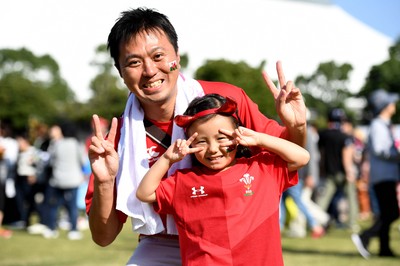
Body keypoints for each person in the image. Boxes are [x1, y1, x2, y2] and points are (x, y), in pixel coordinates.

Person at [86, 7, 307, 265]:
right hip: (161, 243)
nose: (149, 70)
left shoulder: (224, 102)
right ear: (120, 71)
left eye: (158, 56)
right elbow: (103, 238)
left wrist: (298, 126)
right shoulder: (116, 139)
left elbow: (289, 158)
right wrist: (105, 182)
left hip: (235, 240)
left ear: (177, 57)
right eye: (134, 62)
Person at [136, 94, 310, 265]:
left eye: (221, 138)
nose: (213, 149)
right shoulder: (183, 181)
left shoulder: (261, 168)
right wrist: (167, 159)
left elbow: (301, 157)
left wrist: (259, 138)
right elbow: (145, 193)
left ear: (237, 134)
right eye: (201, 142)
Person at [352, 89, 400, 258]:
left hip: (386, 175)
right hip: (383, 175)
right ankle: (364, 236)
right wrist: (397, 154)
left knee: (387, 213)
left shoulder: (383, 125)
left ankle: (384, 249)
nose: (394, 105)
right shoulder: (378, 125)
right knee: (392, 213)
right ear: (385, 107)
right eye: (391, 103)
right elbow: (381, 150)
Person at [316, 108, 359, 231]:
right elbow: (346, 156)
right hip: (343, 172)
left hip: (329, 172)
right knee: (351, 198)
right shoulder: (345, 137)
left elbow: (321, 153)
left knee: (323, 199)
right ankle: (351, 223)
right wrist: (349, 171)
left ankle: (317, 222)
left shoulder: (323, 135)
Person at [43, 122, 86, 240]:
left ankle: (51, 229)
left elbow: (50, 162)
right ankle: (73, 230)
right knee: (72, 206)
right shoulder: (77, 144)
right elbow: (83, 161)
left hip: (58, 179)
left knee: (54, 206)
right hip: (73, 179)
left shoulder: (57, 144)